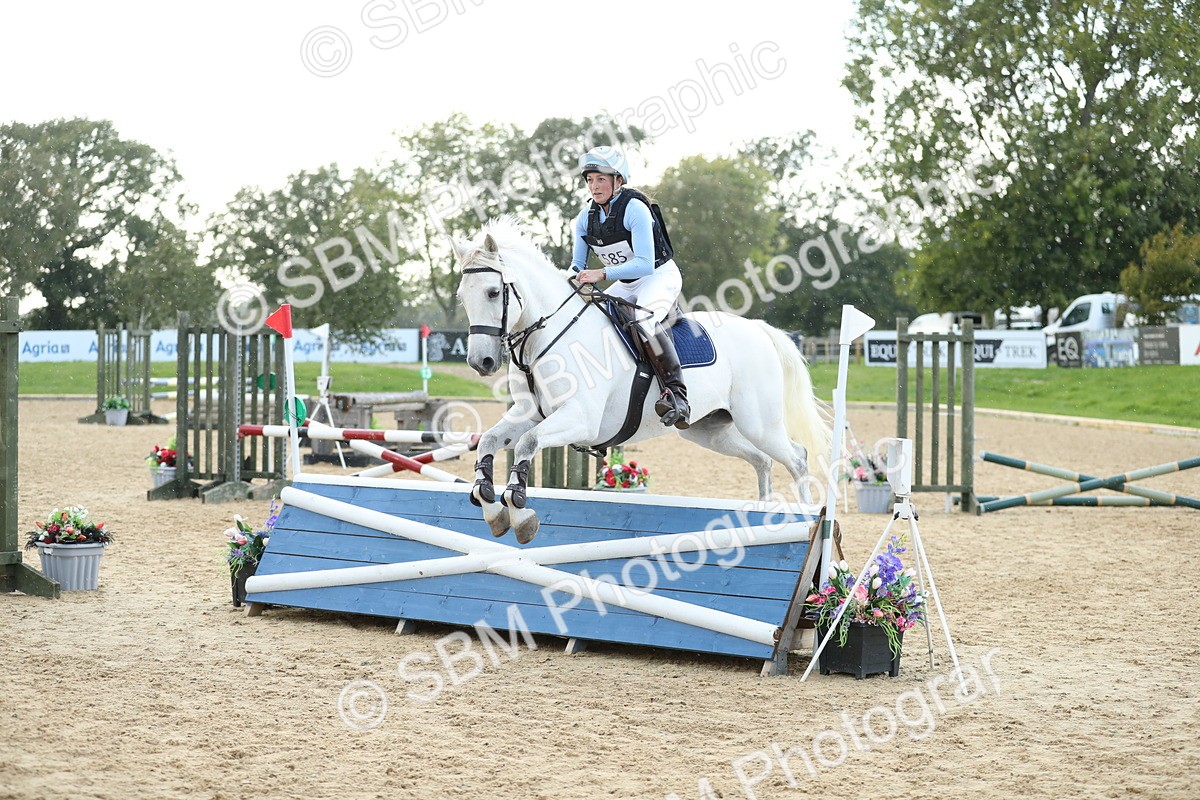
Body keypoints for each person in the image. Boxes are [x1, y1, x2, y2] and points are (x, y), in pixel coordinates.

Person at [570, 146, 691, 429]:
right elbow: (577, 265)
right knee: (591, 320)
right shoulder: (584, 218)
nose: (594, 186)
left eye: (601, 179)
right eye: (590, 180)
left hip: (658, 276)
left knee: (643, 321)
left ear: (618, 181)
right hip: (625, 283)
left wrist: (601, 273)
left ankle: (677, 395)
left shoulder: (635, 209)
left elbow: (645, 264)